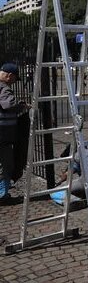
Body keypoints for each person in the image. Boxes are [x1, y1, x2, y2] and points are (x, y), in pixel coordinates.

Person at [0, 62, 28, 204]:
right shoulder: (3, 88)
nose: (13, 82)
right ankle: (2, 195)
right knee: (5, 165)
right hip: (2, 135)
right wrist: (22, 106)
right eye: (14, 79)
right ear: (9, 76)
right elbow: (8, 104)